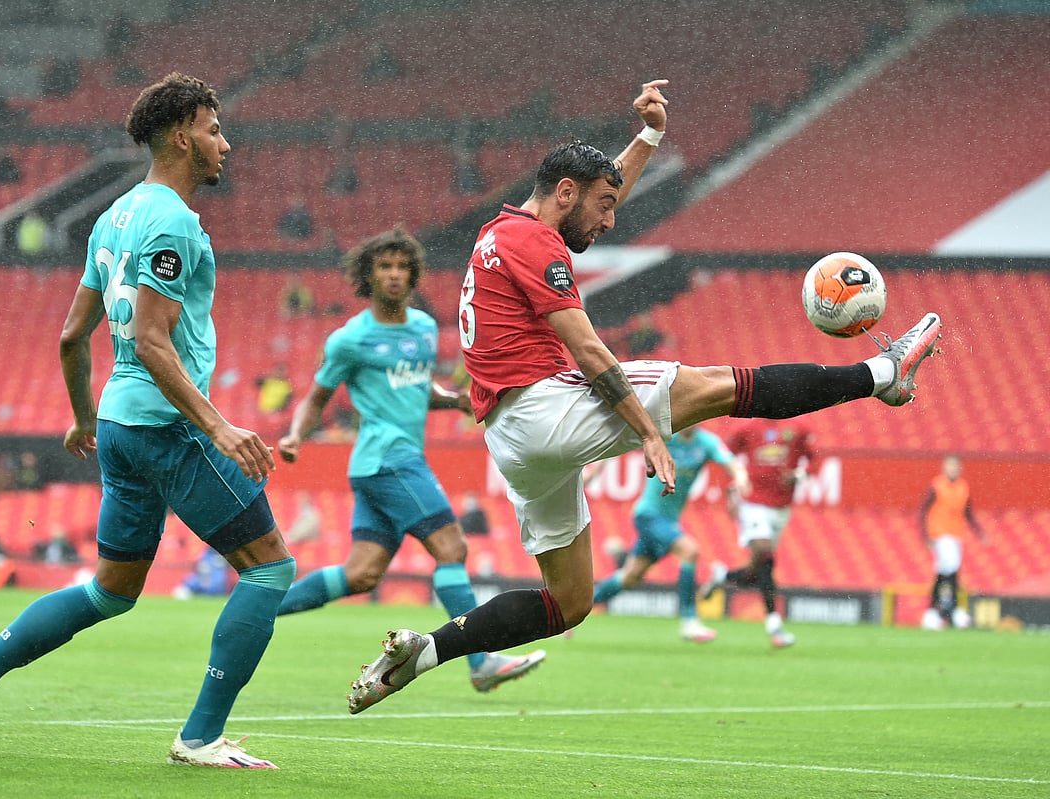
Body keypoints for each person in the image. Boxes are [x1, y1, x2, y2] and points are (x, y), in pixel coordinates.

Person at [346, 78, 943, 714]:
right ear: (565, 193)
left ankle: (424, 652)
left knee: (568, 602)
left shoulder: (502, 232)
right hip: (545, 409)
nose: (610, 220)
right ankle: (881, 375)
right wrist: (649, 430)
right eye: (604, 206)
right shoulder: (532, 242)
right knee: (719, 387)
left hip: (513, 439)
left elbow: (597, 190)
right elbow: (588, 349)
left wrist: (650, 136)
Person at [0, 73, 294, 770]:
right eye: (214, 130)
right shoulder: (174, 221)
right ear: (181, 136)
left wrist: (84, 418)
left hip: (119, 425)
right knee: (270, 568)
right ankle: (201, 736)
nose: (225, 144)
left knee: (110, 591)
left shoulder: (112, 218)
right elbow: (151, 340)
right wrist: (219, 427)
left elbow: (71, 336)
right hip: (167, 427)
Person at [278, 227, 545, 695]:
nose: (395, 275)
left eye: (403, 266)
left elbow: (417, 388)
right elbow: (318, 397)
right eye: (385, 266)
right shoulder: (350, 339)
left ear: (414, 275)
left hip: (381, 467)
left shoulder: (423, 328)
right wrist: (297, 435)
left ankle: (260, 607)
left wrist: (454, 400)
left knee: (361, 573)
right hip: (390, 460)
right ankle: (480, 662)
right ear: (368, 275)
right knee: (451, 549)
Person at [593, 424, 750, 643]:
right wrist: (596, 467)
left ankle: (574, 613)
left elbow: (731, 463)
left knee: (629, 577)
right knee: (690, 551)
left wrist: (741, 479)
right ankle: (689, 622)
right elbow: (622, 440)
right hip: (648, 515)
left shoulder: (706, 443)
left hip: (668, 520)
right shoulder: (665, 436)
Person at [701, 417, 815, 647]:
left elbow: (816, 458)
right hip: (752, 501)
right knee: (765, 553)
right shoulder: (747, 427)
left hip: (782, 506)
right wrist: (731, 491)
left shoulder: (798, 428)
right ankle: (774, 625)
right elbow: (726, 457)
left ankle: (723, 577)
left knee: (759, 567)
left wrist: (799, 475)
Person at [919, 455, 986, 630]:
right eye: (949, 466)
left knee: (945, 573)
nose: (952, 469)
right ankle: (952, 611)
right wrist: (925, 535)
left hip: (956, 535)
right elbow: (923, 510)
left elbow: (968, 513)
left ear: (960, 469)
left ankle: (935, 612)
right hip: (940, 534)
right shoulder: (937, 485)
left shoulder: (963, 487)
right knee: (951, 568)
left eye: (955, 466)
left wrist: (979, 532)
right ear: (944, 468)